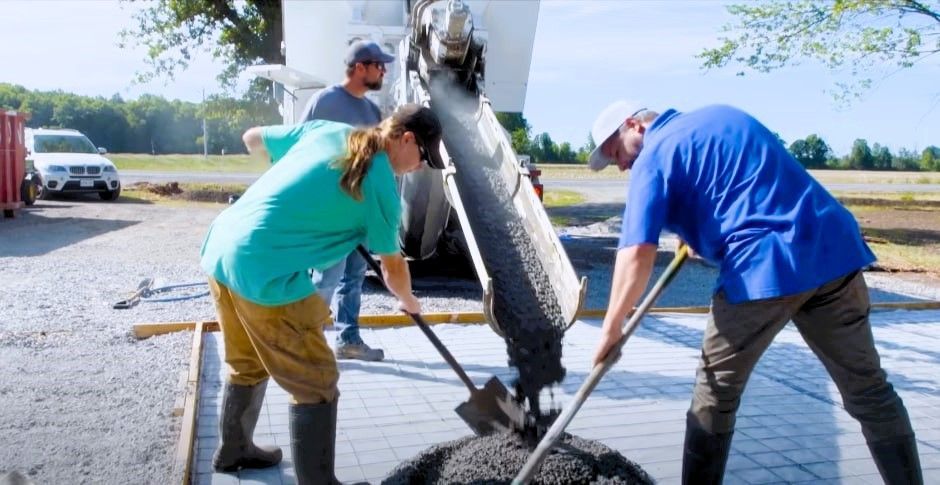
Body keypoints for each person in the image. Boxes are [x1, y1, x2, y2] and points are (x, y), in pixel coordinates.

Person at [588, 101, 923, 485]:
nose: (621, 166)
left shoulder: (654, 154)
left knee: (714, 393)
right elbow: (744, 186)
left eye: (616, 153)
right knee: (868, 390)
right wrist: (698, 230)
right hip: (832, 252)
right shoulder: (721, 116)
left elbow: (636, 252)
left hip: (764, 266)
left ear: (634, 126)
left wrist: (612, 326)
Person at [200, 103, 445, 483]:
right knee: (316, 381)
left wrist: (295, 192)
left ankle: (234, 450)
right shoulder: (380, 183)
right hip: (266, 268)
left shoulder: (327, 130)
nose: (420, 167)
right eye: (424, 157)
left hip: (222, 248)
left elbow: (252, 138)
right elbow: (393, 268)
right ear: (406, 138)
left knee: (247, 360)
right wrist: (409, 302)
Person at [299, 39, 395, 362]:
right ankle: (304, 341)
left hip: (361, 212)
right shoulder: (324, 102)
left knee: (354, 279)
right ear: (359, 68)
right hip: (330, 213)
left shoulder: (372, 111)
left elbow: (377, 161)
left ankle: (348, 338)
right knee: (326, 277)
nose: (384, 71)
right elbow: (300, 150)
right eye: (379, 65)